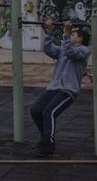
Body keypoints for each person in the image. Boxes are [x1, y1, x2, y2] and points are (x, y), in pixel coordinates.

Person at [29, 19, 91, 157]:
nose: (71, 36)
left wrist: (66, 33)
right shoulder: (64, 47)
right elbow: (48, 49)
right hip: (54, 87)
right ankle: (45, 139)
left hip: (68, 90)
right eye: (71, 34)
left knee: (49, 112)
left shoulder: (84, 51)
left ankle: (48, 144)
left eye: (74, 34)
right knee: (35, 110)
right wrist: (49, 32)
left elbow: (70, 52)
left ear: (81, 38)